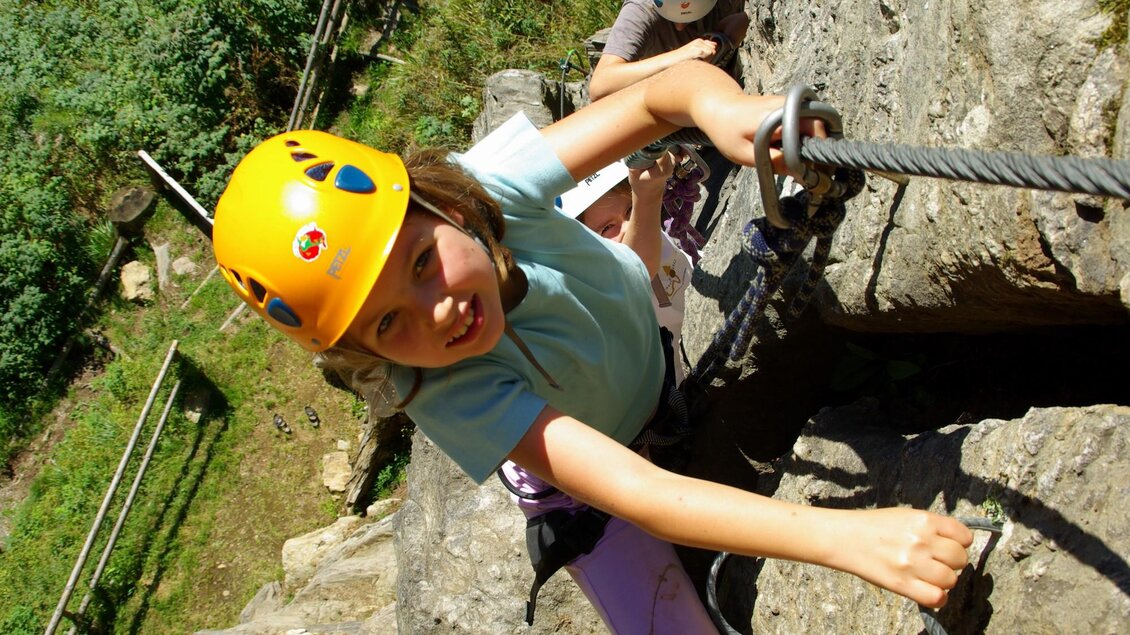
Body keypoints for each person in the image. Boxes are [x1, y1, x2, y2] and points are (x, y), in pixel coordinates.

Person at [212, 61, 973, 633]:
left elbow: (654, 100)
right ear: (370, 356)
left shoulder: (490, 184)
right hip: (587, 492)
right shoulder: (444, 389)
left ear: (442, 206)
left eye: (419, 263)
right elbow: (638, 493)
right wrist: (845, 537)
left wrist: (722, 109)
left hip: (644, 356)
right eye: (386, 325)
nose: (436, 311)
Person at [557, 152, 693, 386]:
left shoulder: (648, 230)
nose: (628, 226)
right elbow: (636, 269)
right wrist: (646, 195)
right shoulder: (601, 287)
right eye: (607, 228)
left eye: (630, 209)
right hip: (671, 386)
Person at [589, 0, 751, 101]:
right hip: (667, 107)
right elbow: (601, 84)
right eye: (671, 16)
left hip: (723, 95)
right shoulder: (641, 10)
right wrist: (679, 57)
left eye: (690, 19)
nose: (679, 26)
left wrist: (747, 21)